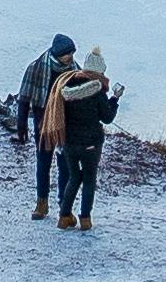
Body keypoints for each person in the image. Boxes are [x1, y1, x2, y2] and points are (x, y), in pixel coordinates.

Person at [46, 51, 121, 228]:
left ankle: (64, 216)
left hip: (69, 143)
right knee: (89, 179)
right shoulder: (97, 91)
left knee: (74, 177)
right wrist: (115, 99)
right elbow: (107, 117)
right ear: (99, 71)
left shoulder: (68, 87)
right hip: (91, 144)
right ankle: (85, 219)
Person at [12, 33, 75, 207]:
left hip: (65, 124)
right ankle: (41, 203)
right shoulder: (36, 68)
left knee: (65, 165)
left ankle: (64, 204)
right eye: (67, 53)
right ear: (57, 54)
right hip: (43, 124)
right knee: (43, 162)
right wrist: (21, 124)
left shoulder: (75, 71)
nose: (70, 57)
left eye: (72, 53)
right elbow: (24, 98)